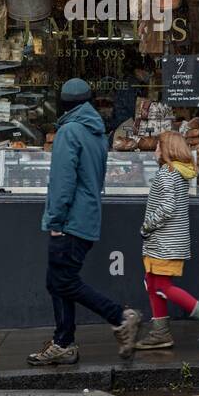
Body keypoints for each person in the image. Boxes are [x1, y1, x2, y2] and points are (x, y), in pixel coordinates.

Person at [28, 78, 141, 365]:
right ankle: (63, 342)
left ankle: (119, 316)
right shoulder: (97, 132)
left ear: (64, 103)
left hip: (69, 220)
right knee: (57, 281)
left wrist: (54, 220)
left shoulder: (69, 132)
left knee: (62, 281)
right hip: (88, 216)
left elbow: (63, 183)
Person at [136, 130, 199, 350]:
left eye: (158, 147)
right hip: (170, 241)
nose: (155, 151)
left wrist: (147, 226)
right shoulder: (180, 173)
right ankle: (160, 332)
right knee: (153, 283)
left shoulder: (167, 172)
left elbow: (167, 207)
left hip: (163, 241)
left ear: (166, 150)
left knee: (162, 285)